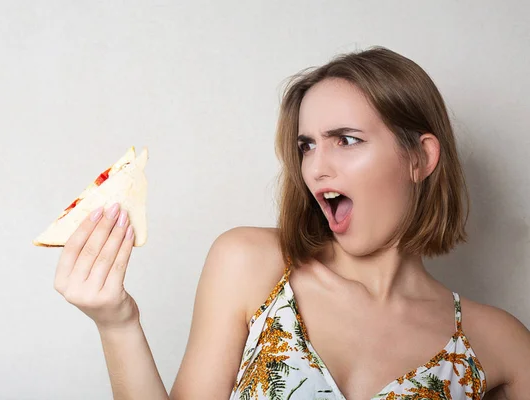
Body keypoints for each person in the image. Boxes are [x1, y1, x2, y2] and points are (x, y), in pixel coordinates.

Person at [53, 46, 530, 399]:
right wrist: (117, 324)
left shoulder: (498, 342)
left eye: (345, 140)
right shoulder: (250, 265)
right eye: (307, 145)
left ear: (419, 158)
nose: (317, 168)